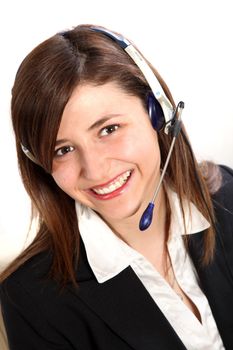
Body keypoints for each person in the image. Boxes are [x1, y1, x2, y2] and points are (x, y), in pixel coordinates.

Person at [0, 24, 233, 350]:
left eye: (108, 129)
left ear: (159, 114)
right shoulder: (30, 300)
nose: (95, 169)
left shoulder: (227, 197)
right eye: (63, 149)